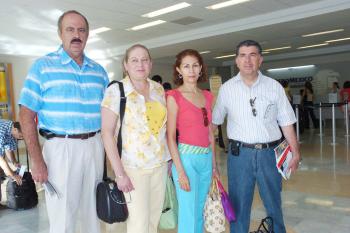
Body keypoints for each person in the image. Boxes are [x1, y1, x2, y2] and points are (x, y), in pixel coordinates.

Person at [18, 10, 109, 233]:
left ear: (87, 35)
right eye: (70, 29)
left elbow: (109, 117)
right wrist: (37, 160)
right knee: (63, 219)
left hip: (95, 146)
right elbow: (26, 115)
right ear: (60, 33)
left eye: (81, 30)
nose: (76, 35)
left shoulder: (99, 72)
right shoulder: (42, 67)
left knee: (93, 215)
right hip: (60, 149)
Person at [212, 40, 301, 233]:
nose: (248, 60)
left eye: (253, 55)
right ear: (236, 61)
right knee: (239, 205)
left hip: (270, 154)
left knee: (273, 204)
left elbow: (286, 122)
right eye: (243, 55)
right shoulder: (227, 89)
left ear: (260, 60)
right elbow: (214, 123)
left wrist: (295, 152)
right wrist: (211, 160)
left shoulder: (274, 86)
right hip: (239, 156)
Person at [101, 44, 170, 233]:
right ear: (126, 65)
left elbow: (163, 127)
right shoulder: (116, 91)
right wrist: (119, 173)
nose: (140, 64)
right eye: (134, 60)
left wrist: (169, 160)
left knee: (153, 221)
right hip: (132, 168)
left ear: (151, 63)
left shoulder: (158, 89)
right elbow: (106, 133)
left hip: (159, 165)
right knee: (138, 225)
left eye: (145, 60)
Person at [166, 49, 218, 233]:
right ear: (179, 70)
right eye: (186, 66)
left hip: (206, 158)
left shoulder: (208, 96)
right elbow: (170, 136)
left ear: (201, 68)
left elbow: (210, 133)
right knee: (188, 213)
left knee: (201, 210)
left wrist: (214, 166)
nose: (191, 70)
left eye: (195, 65)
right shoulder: (174, 97)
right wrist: (180, 171)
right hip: (186, 159)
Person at [0, 120, 23, 202]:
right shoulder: (1, 130)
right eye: (20, 136)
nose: (21, 138)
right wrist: (13, 175)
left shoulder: (12, 132)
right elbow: (0, 159)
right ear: (16, 130)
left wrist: (14, 162)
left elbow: (9, 149)